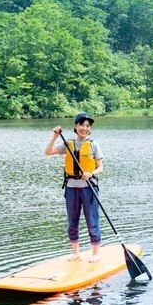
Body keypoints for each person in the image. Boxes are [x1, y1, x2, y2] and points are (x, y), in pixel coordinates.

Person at [44, 112, 104, 262]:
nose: (85, 128)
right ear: (75, 127)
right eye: (82, 125)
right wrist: (54, 137)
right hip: (71, 187)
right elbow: (48, 152)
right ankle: (75, 252)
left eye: (88, 126)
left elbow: (101, 167)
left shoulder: (93, 145)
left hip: (89, 188)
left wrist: (91, 173)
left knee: (92, 220)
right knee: (73, 220)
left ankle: (95, 253)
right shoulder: (67, 144)